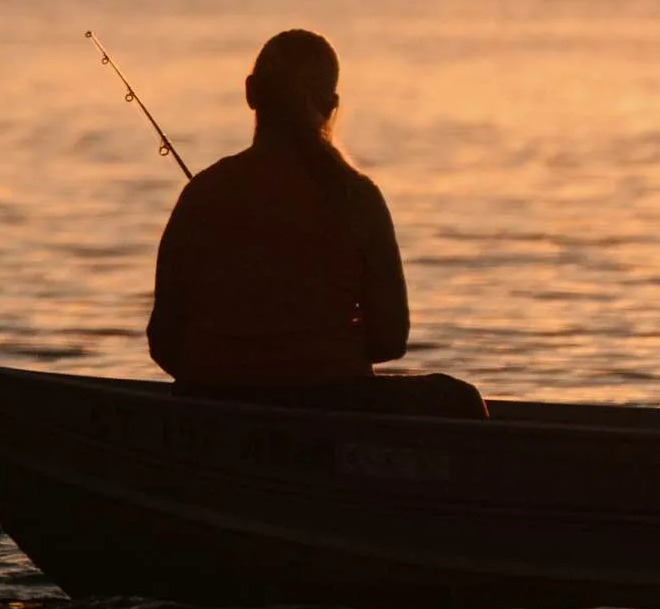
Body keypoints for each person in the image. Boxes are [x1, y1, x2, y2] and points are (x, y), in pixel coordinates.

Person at [147, 29, 486, 418]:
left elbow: (163, 341)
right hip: (331, 404)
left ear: (251, 92)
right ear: (331, 104)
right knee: (461, 399)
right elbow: (390, 340)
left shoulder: (202, 194)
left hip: (211, 402)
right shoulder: (358, 197)